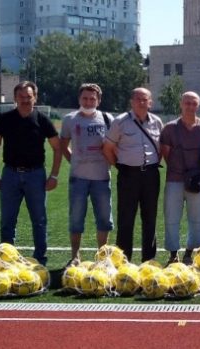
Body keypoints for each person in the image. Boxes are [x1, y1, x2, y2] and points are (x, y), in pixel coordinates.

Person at [0, 81, 62, 266]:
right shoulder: (4, 119)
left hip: (35, 175)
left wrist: (53, 175)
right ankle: (6, 259)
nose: (25, 100)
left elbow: (57, 147)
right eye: (21, 97)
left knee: (39, 220)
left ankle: (40, 260)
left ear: (35, 97)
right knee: (7, 221)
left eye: (28, 97)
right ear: (15, 98)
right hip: (10, 174)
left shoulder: (43, 120)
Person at [102, 88, 163, 263]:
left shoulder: (157, 122)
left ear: (150, 102)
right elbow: (107, 148)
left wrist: (151, 165)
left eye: (145, 99)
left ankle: (149, 261)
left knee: (150, 219)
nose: (141, 102)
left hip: (151, 176)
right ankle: (124, 261)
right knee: (126, 220)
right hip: (128, 175)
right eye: (138, 99)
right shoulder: (120, 122)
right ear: (131, 102)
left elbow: (161, 149)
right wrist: (120, 166)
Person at [60, 83, 114, 266]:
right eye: (85, 98)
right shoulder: (69, 119)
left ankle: (102, 256)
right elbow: (63, 144)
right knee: (76, 218)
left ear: (98, 100)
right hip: (78, 178)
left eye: (92, 98)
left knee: (104, 219)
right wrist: (73, 160)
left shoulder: (107, 119)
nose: (88, 101)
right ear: (79, 99)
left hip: (102, 177)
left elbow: (114, 145)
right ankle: (75, 256)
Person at [160, 92, 200, 265]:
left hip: (197, 181)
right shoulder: (169, 128)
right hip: (174, 179)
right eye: (187, 103)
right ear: (181, 104)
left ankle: (191, 252)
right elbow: (165, 154)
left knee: (196, 217)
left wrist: (196, 175)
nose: (190, 106)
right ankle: (173, 253)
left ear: (198, 106)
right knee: (171, 217)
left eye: (194, 103)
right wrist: (179, 171)